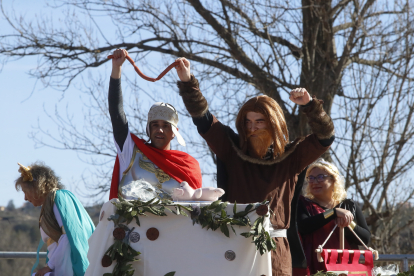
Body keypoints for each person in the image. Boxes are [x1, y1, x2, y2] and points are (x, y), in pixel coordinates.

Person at [174, 57, 335, 276]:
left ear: (273, 123)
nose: (253, 128)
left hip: (276, 249)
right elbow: (203, 119)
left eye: (259, 121)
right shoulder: (232, 149)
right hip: (236, 245)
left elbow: (325, 137)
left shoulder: (292, 157)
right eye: (248, 122)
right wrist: (187, 82)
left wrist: (309, 106)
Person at [108, 49, 202, 200]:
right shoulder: (131, 151)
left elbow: (196, 209)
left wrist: (188, 80)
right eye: (154, 125)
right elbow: (116, 113)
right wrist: (116, 69)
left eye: (166, 125)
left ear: (175, 132)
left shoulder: (188, 166)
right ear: (148, 129)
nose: (159, 129)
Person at [15, 162, 95, 276]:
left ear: (36, 186)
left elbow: (68, 236)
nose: (25, 198)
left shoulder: (58, 198)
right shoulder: (53, 201)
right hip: (61, 264)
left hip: (67, 267)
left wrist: (49, 267)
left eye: (25, 192)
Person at [295, 158, 371, 275]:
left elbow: (365, 238)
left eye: (320, 177)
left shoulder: (349, 205)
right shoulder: (303, 203)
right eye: (311, 178)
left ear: (333, 180)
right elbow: (304, 226)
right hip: (316, 266)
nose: (315, 182)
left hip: (346, 267)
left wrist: (347, 221)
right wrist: (333, 213)